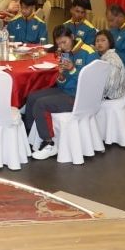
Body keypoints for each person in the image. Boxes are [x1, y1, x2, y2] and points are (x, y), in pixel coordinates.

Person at [24, 24, 97, 159]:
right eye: (59, 44)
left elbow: (90, 82)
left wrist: (72, 69)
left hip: (79, 97)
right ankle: (29, 135)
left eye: (64, 42)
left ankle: (49, 143)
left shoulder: (89, 53)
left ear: (72, 37)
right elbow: (62, 83)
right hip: (66, 91)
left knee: (41, 104)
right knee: (32, 97)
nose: (62, 46)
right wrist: (61, 76)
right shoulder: (65, 53)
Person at [93, 30, 125, 100]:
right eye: (97, 41)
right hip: (109, 92)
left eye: (103, 40)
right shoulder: (105, 55)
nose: (99, 43)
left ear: (110, 42)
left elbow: (111, 85)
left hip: (112, 95)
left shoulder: (112, 59)